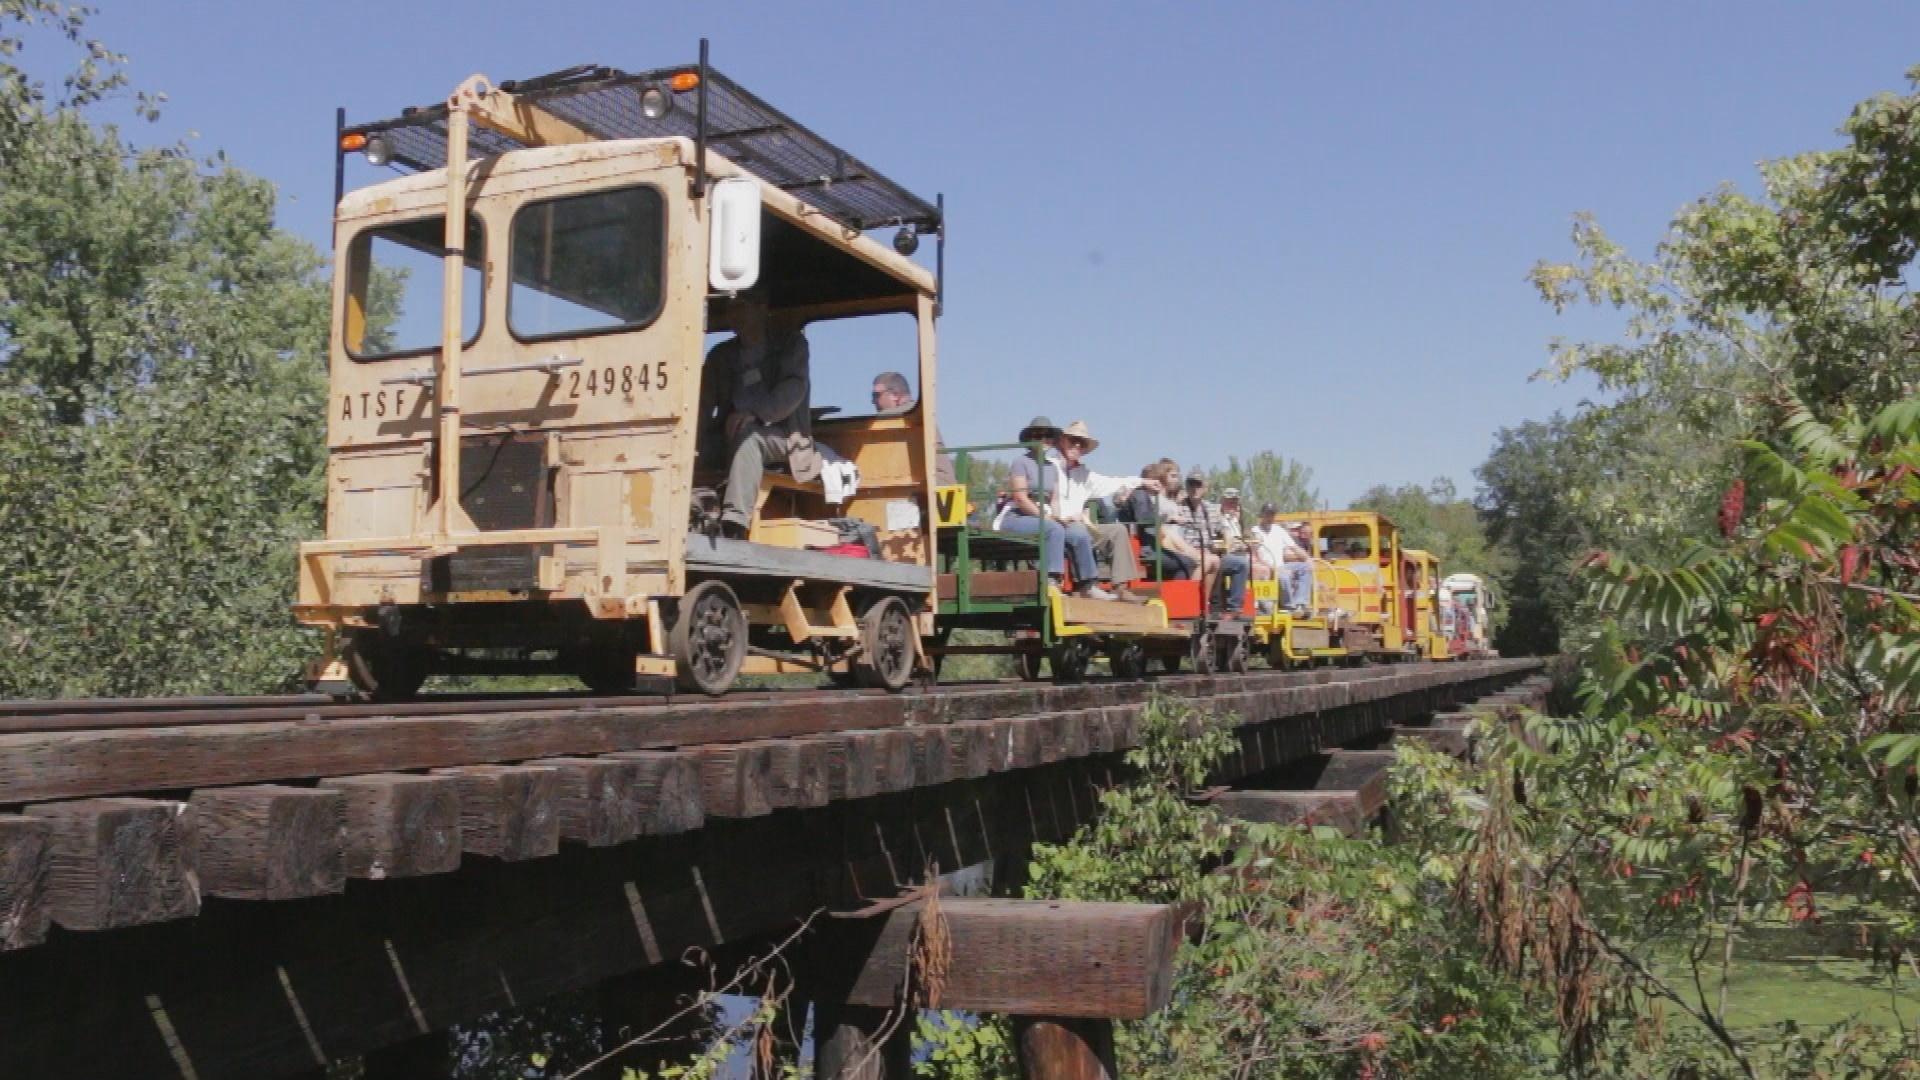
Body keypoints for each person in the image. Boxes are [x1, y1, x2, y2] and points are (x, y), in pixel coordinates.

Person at [703, 294, 815, 537]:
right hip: (729, 433)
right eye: (730, 307)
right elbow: (704, 402)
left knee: (749, 438)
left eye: (741, 306)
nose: (734, 314)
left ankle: (734, 524)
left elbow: (793, 389)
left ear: (762, 307)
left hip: (786, 438)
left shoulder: (790, 345)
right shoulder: (721, 355)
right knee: (697, 446)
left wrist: (756, 414)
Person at [1048, 420, 1154, 601]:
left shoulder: (1085, 475)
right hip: (1056, 526)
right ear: (1063, 441)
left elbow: (1113, 482)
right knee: (1078, 531)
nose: (1077, 445)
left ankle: (1120, 588)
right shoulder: (1049, 466)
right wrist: (1059, 518)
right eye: (1073, 440)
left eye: (1081, 443)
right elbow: (1039, 497)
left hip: (1079, 527)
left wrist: (1143, 482)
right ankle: (1087, 586)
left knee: (1118, 530)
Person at [991, 416, 1096, 593]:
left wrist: (1059, 517)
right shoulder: (1021, 462)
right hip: (1017, 516)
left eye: (1047, 436)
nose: (1043, 440)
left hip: (1044, 517)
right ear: (1030, 439)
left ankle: (1088, 584)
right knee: (1053, 529)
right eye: (1038, 436)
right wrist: (1047, 517)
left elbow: (1054, 501)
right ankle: (1052, 579)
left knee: (1078, 532)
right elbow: (1020, 498)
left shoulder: (1052, 467)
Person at [1179, 471, 1249, 614]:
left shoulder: (1211, 509)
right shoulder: (1179, 507)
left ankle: (1234, 608)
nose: (1194, 488)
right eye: (1191, 484)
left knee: (1241, 563)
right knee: (1214, 561)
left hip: (1211, 552)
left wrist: (1226, 544)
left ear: (1205, 488)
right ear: (1186, 487)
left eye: (1198, 485)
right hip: (1188, 553)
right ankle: (1199, 604)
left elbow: (1223, 531)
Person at [871, 370, 956, 485]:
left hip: (935, 486)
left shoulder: (909, 413)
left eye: (876, 395)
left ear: (895, 395)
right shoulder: (906, 415)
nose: (873, 401)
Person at [1252, 505, 1313, 615]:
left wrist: (1307, 559)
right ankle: (1289, 607)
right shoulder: (1254, 531)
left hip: (1280, 566)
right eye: (1268, 514)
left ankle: (1300, 604)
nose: (1270, 517)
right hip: (1265, 567)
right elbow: (1254, 555)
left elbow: (1294, 547)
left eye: (1272, 514)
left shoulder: (1279, 530)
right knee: (1283, 575)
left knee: (1305, 567)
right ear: (1262, 515)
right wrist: (1273, 567)